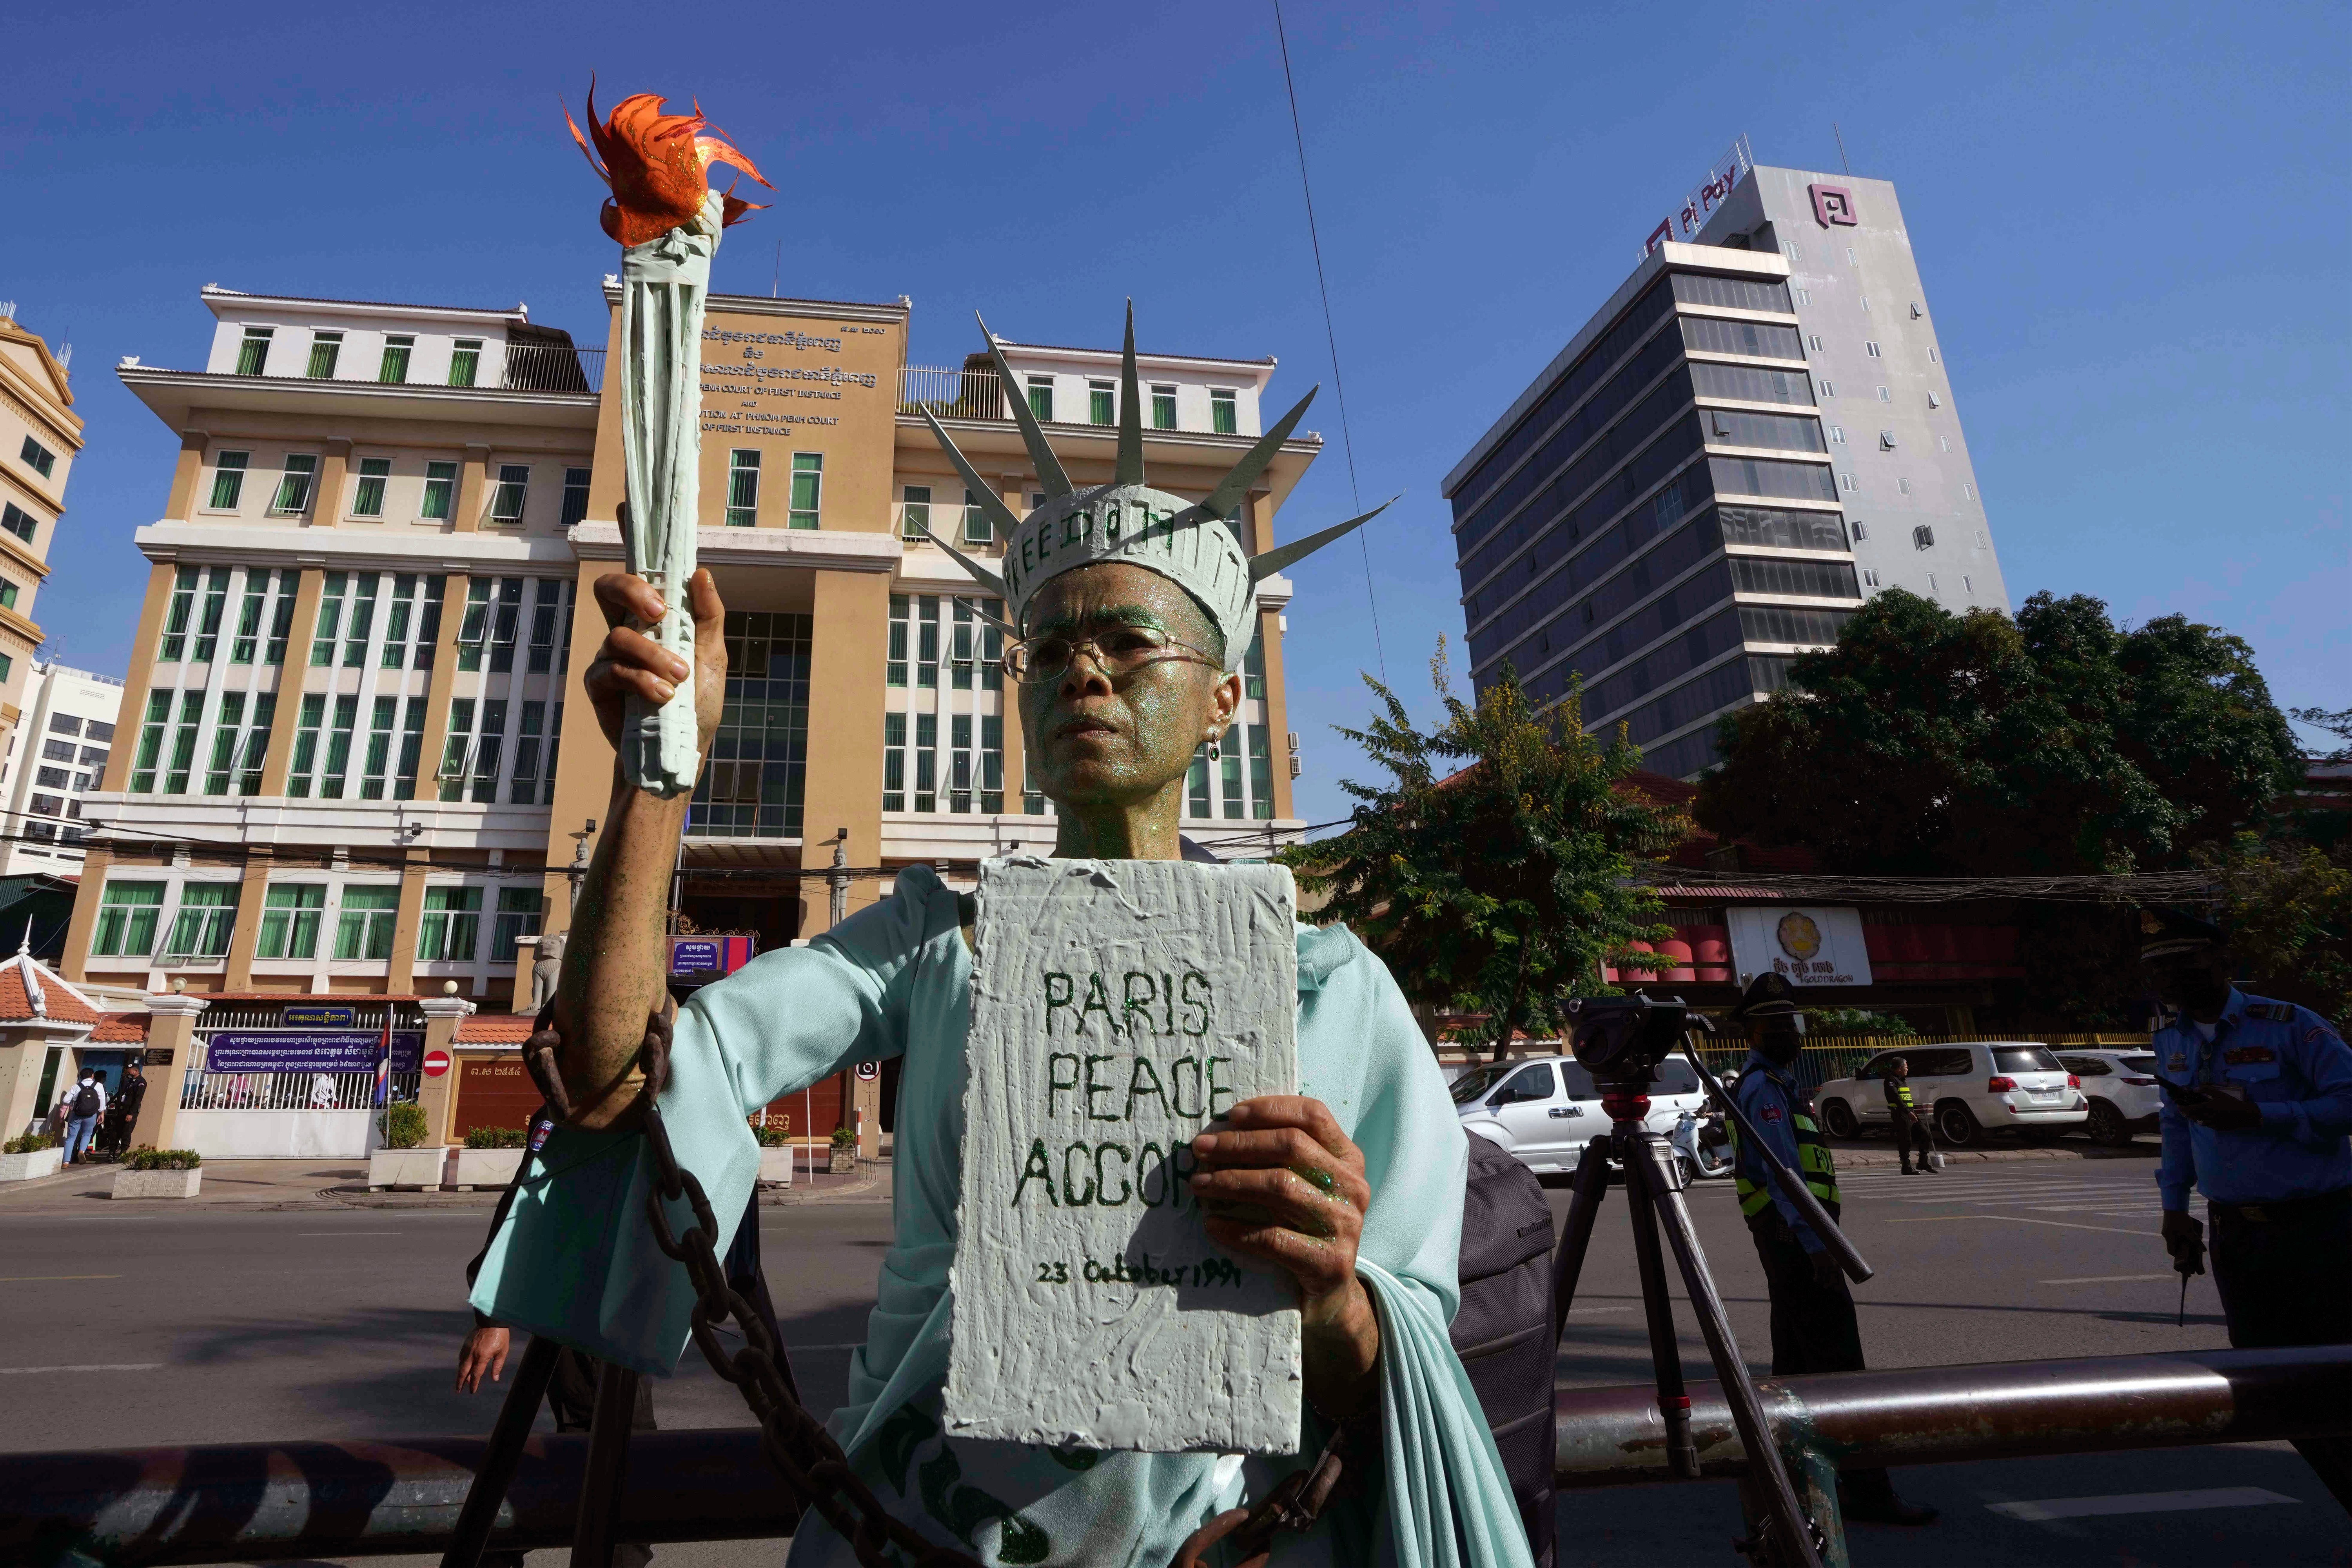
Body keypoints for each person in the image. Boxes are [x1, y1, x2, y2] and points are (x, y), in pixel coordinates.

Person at [472, 334, 1528, 1568]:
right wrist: (657, 775)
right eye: (1046, 650)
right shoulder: (933, 941)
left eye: (1129, 643)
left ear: (1224, 696)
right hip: (912, 1529)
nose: (1081, 669)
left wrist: (1332, 1285)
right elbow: (614, 1079)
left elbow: (1389, 1361)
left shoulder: (1332, 984)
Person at [2141, 906, 2352, 1510]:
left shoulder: (2291, 1026)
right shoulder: (2171, 1039)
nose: (2173, 980)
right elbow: (2177, 1128)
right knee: (2272, 1385)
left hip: (2319, 1229)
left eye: (2186, 964)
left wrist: (2263, 1115)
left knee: (2338, 1377)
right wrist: (2174, 1207)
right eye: (2160, 970)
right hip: (2238, 1236)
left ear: (2226, 964)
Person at [1728, 972, 1937, 1527]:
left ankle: (1788, 1482)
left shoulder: (1773, 1082)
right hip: (1797, 1244)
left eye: (1792, 1023)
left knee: (1795, 1372)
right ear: (1754, 1031)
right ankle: (1868, 1489)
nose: (1791, 1034)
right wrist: (1818, 1244)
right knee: (1842, 1368)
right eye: (1778, 1025)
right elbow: (1784, 1174)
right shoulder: (1762, 1089)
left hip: (1792, 1242)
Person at [458, 1107, 657, 1568]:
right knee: (615, 1455)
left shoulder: (653, 1095)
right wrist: (493, 1314)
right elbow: (526, 1199)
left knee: (617, 1454)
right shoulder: (573, 1107)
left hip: (628, 1308)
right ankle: (493, 1544)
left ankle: (492, 1543)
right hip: (583, 1310)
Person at [1882, 1056, 1935, 1175]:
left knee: (1926, 1134)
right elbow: (1895, 1098)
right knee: (1906, 1140)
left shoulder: (1902, 1079)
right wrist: (1908, 1112)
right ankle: (1906, 1166)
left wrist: (1914, 1110)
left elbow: (1905, 1097)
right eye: (1906, 1068)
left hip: (1910, 1112)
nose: (1908, 1070)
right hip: (1900, 1113)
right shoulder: (1891, 1080)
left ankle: (1923, 1162)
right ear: (1900, 1068)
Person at [61, 1068, 106, 1164]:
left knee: (71, 1137)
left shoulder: (76, 1087)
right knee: (87, 1134)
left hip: (76, 1115)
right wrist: (101, 1114)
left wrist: (74, 1103)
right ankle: (82, 1151)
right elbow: (102, 1101)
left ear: (81, 1077)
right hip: (91, 1115)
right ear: (93, 1076)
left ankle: (66, 1162)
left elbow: (65, 1101)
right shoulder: (99, 1086)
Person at [103, 1062, 147, 1155]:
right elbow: (120, 1093)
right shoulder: (129, 1082)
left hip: (130, 1112)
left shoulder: (141, 1083)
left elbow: (137, 1099)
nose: (128, 1072)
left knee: (126, 1133)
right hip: (121, 1111)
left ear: (136, 1071)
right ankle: (112, 1152)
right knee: (115, 1131)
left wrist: (131, 1113)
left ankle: (123, 1153)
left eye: (130, 1071)